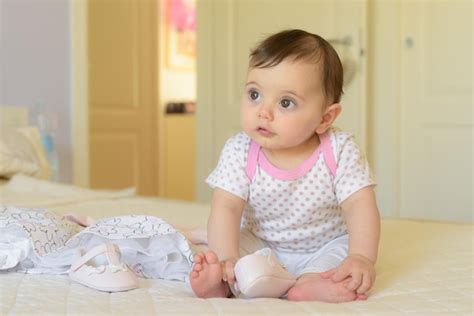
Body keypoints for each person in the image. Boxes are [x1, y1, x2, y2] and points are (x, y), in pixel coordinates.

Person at [190, 29, 380, 303]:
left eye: (286, 102)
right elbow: (226, 208)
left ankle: (309, 284)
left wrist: (362, 257)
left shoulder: (339, 150)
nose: (263, 112)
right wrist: (225, 258)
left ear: (325, 118)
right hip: (262, 241)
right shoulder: (240, 150)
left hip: (322, 246)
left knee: (342, 257)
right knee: (228, 250)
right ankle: (222, 282)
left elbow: (360, 206)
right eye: (254, 94)